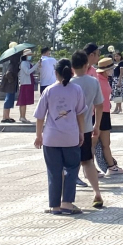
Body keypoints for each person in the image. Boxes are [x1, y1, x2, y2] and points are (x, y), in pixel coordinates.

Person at [33, 58, 87, 215]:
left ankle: (54, 206)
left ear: (55, 73)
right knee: (71, 169)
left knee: (54, 171)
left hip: (51, 137)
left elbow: (40, 116)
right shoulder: (77, 89)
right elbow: (80, 114)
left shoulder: (49, 90)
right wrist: (81, 132)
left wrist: (38, 135)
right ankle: (67, 203)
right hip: (71, 136)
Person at [70, 50, 106, 209]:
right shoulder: (93, 82)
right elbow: (99, 105)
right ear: (86, 65)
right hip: (86, 127)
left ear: (72, 66)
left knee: (69, 164)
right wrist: (96, 126)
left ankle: (66, 197)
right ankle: (97, 193)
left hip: (68, 129)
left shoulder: (69, 83)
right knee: (88, 162)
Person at [95, 57, 123, 176]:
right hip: (101, 113)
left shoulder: (104, 79)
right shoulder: (98, 80)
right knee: (101, 142)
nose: (112, 70)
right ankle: (109, 166)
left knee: (104, 142)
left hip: (105, 112)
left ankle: (111, 166)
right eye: (111, 68)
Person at [0, 51, 21, 123]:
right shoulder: (12, 65)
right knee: (8, 100)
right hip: (10, 85)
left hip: (12, 85)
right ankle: (5, 117)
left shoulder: (14, 65)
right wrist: (12, 80)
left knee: (10, 100)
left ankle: (7, 116)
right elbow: (8, 74)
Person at [17, 49, 37, 123]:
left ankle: (22, 116)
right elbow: (28, 72)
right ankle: (22, 116)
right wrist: (36, 65)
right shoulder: (23, 63)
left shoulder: (27, 63)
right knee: (23, 101)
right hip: (25, 83)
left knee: (24, 101)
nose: (30, 57)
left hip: (28, 83)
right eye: (29, 55)